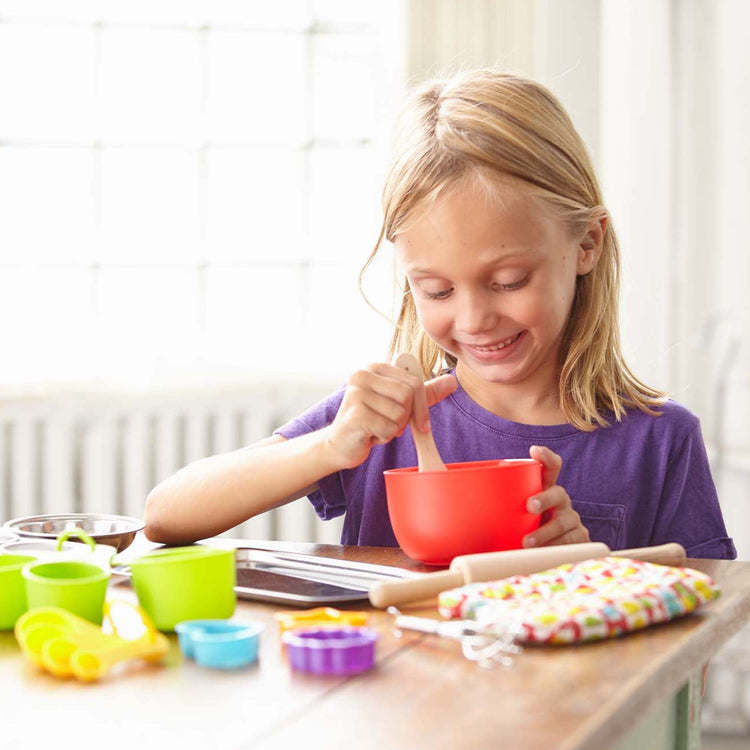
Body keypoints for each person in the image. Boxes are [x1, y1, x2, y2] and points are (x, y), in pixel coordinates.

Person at [144, 69, 735, 560]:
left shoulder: (659, 440)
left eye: (508, 281)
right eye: (436, 290)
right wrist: (328, 448)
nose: (475, 319)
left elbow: (696, 651)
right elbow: (166, 516)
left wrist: (589, 572)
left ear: (586, 244)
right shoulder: (385, 422)